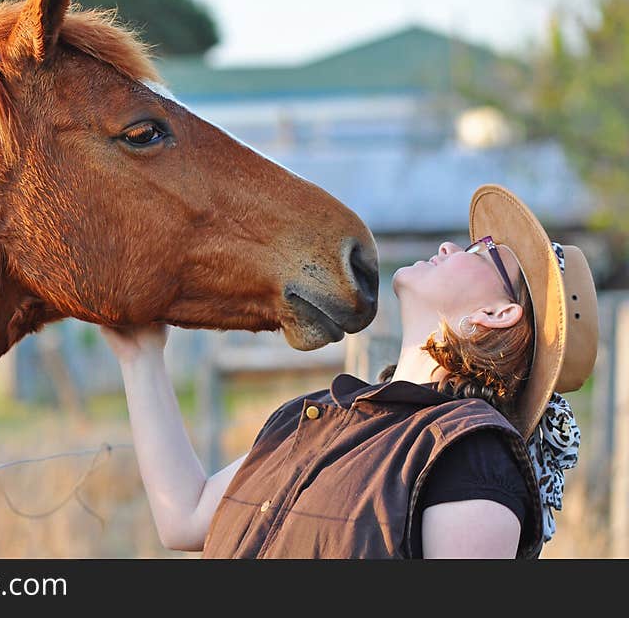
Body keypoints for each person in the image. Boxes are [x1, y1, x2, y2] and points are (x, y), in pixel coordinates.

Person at [99, 184, 598, 559]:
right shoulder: (315, 414)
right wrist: (140, 355)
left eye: (480, 251)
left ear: (497, 314)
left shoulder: (470, 456)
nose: (450, 246)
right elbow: (184, 518)